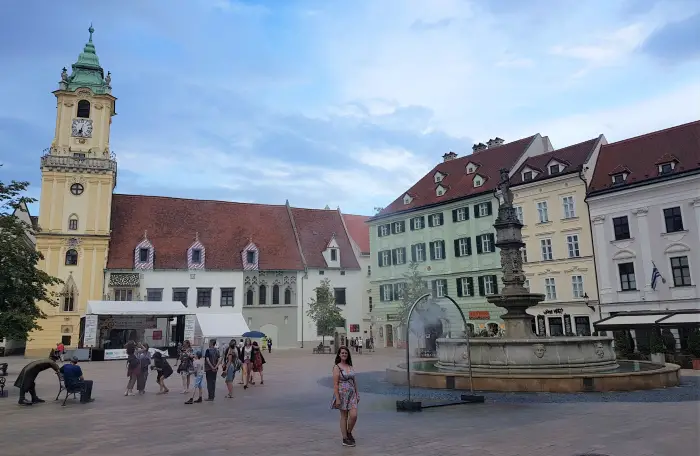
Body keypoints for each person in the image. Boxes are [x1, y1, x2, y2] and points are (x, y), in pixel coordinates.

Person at [331, 346, 359, 447]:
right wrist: (337, 398)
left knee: (354, 415)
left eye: (346, 353)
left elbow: (354, 381)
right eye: (342, 353)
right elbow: (335, 384)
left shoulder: (350, 366)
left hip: (352, 395)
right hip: (342, 394)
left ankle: (349, 432)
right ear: (339, 354)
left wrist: (357, 393)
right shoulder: (336, 367)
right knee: (344, 416)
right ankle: (345, 438)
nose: (344, 355)